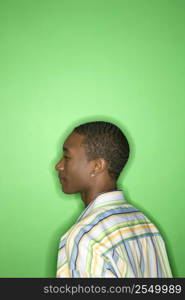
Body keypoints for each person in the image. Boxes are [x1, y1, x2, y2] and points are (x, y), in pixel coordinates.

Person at [55, 121, 172, 278]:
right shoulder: (144, 223)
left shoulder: (84, 239)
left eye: (67, 157)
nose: (59, 165)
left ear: (97, 166)